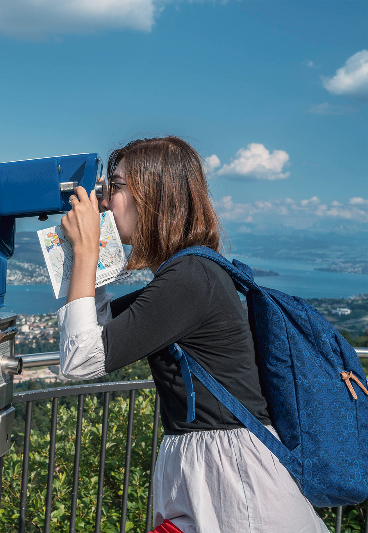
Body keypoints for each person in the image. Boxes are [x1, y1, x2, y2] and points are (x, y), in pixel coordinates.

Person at [57, 137, 328, 532]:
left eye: (114, 187)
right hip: (212, 471)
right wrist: (88, 254)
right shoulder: (186, 276)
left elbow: (80, 360)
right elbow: (90, 332)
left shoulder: (190, 279)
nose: (104, 201)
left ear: (152, 195)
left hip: (234, 483)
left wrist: (86, 252)